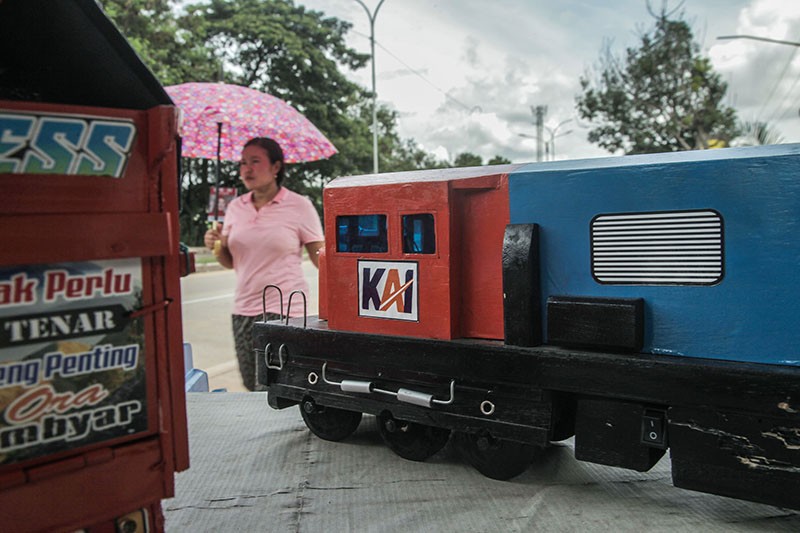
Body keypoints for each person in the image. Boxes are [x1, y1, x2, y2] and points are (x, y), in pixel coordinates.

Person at [204, 137, 324, 391]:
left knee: (274, 387)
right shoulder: (235, 207)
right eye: (243, 163)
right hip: (243, 309)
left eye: (255, 161)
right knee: (251, 384)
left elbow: (320, 258)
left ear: (276, 167)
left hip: (284, 310)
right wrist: (217, 246)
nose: (247, 169)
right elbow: (230, 262)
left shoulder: (299, 205)